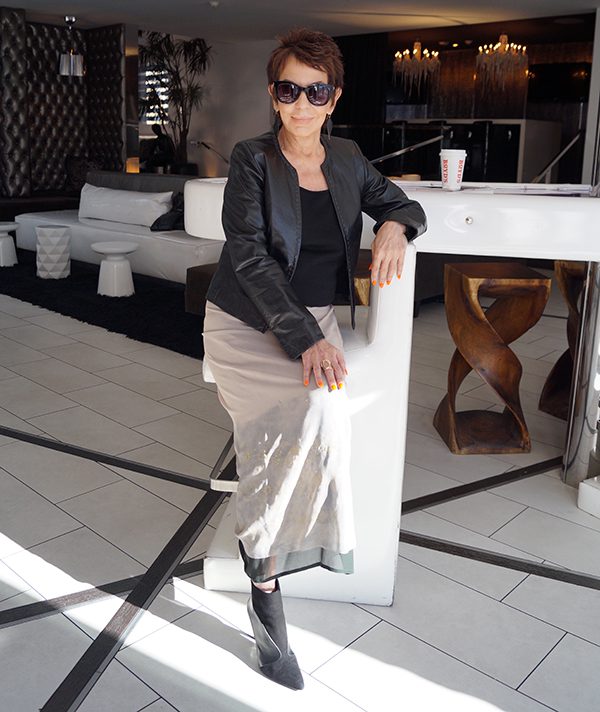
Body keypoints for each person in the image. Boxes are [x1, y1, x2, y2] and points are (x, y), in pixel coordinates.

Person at [203, 28, 426, 690]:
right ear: (275, 95)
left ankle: (268, 557)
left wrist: (394, 224)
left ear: (334, 97)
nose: (302, 104)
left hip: (312, 321)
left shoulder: (351, 158)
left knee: (322, 420)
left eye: (316, 91)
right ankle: (265, 586)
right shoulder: (250, 159)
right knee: (291, 422)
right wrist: (305, 337)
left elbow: (402, 201)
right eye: (289, 90)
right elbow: (248, 257)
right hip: (247, 321)